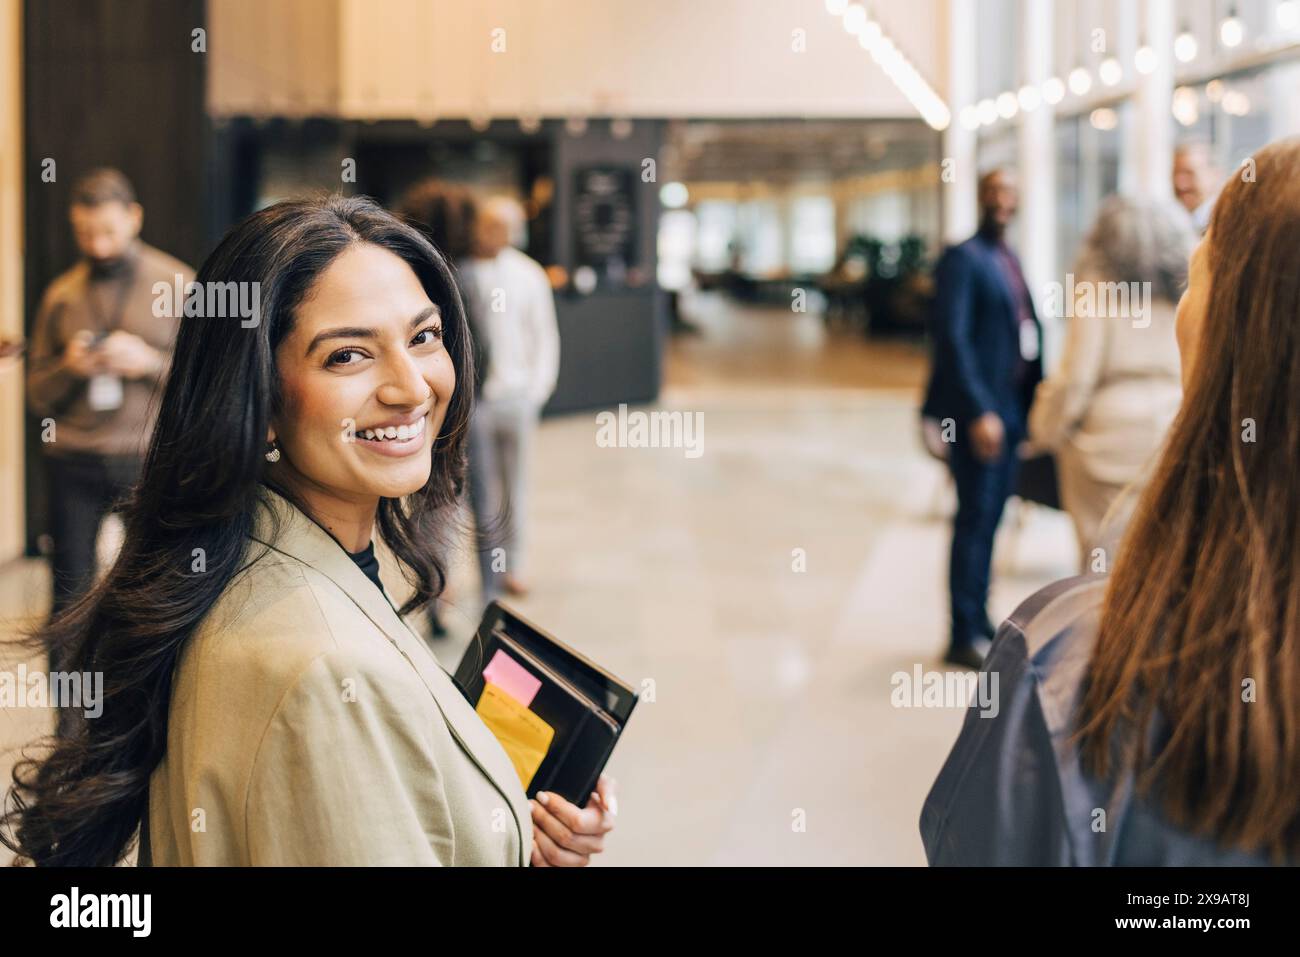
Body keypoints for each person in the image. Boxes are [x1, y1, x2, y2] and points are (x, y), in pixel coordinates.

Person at [1, 195, 615, 866]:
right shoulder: (327, 674)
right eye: (348, 355)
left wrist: (503, 827)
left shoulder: (244, 558)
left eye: (423, 336)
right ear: (259, 399)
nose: (410, 387)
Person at [921, 137, 1300, 866]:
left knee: (1107, 561)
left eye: (1205, 272)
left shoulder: (1065, 656)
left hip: (1103, 448)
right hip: (1154, 428)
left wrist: (1040, 429)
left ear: (1220, 333)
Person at [25, 168, 193, 647]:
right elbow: (37, 394)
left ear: (134, 218)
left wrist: (146, 362)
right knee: (68, 600)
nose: (97, 246)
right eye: (85, 234)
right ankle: (69, 723)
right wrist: (70, 367)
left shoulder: (178, 284)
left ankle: (145, 717)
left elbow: (208, 384)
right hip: (72, 462)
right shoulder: (62, 295)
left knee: (157, 594)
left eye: (107, 232)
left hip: (148, 460)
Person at [1027, 197, 1196, 569]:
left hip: (1106, 440)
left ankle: (1107, 627)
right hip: (1173, 431)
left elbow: (1077, 380)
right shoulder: (1185, 287)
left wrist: (1043, 428)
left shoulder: (1096, 289)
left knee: (1102, 565)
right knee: (1163, 562)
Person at [922, 169, 1042, 670]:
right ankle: (960, 631)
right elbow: (953, 341)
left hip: (1011, 411)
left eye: (1010, 193)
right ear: (980, 197)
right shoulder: (963, 258)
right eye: (994, 192)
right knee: (973, 519)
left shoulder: (1008, 258)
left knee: (991, 518)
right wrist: (979, 411)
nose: (1002, 201)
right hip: (981, 418)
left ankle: (979, 615)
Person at [460, 196, 561, 602]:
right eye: (486, 225)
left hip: (517, 399)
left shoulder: (528, 275)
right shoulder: (462, 270)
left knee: (515, 486)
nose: (492, 234)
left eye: (501, 226)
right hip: (479, 403)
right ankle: (484, 569)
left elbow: (545, 336)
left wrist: (536, 392)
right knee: (478, 492)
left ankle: (513, 566)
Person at [1172, 141, 1220, 234]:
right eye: (1174, 173)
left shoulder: (1226, 223)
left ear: (1214, 175)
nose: (1180, 184)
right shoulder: (1168, 223)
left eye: (1189, 173)